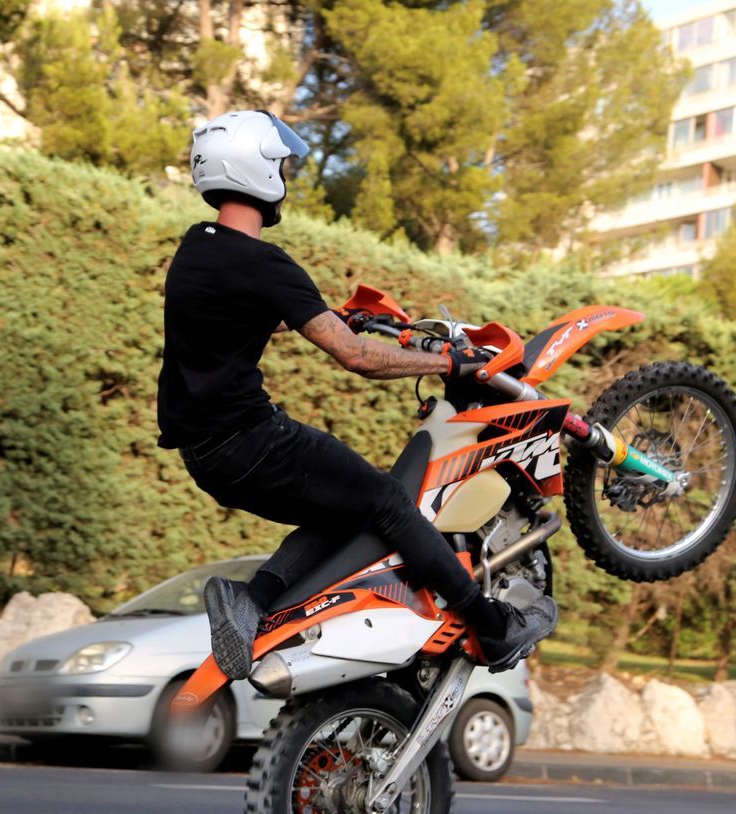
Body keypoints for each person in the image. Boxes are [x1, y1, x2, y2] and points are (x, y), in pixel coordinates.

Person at [157, 110, 555, 681]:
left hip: (208, 455)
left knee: (347, 507)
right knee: (391, 501)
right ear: (257, 170)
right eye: (282, 165)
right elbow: (357, 358)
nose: (286, 177)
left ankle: (249, 604)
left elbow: (242, 318)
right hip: (253, 440)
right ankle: (489, 624)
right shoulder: (264, 262)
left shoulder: (198, 249)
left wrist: (338, 317)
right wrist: (451, 358)